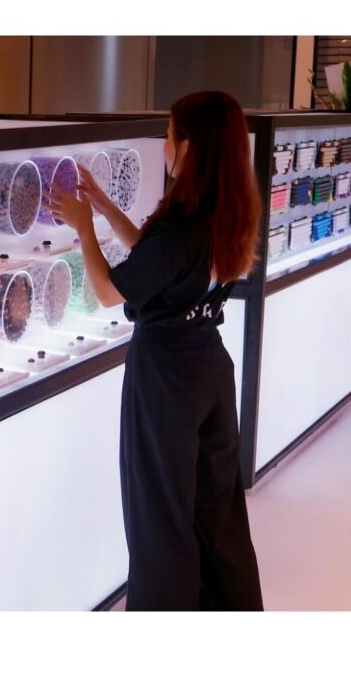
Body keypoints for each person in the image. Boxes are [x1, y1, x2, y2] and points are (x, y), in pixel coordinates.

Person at [49, 91, 264, 611]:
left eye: (170, 135)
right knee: (217, 512)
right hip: (209, 369)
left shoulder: (181, 228)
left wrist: (82, 227)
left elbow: (107, 290)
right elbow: (155, 261)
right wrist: (103, 208)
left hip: (167, 380)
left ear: (190, 147)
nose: (165, 146)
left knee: (160, 518)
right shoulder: (223, 214)